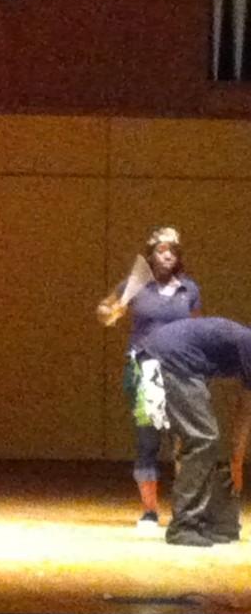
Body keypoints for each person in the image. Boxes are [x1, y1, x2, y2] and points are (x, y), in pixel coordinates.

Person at [97, 226, 201, 531]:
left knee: (184, 442)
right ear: (151, 254)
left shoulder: (190, 289)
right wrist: (110, 311)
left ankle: (185, 511)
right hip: (146, 370)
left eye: (172, 249)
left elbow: (196, 330)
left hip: (181, 370)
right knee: (148, 440)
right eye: (161, 249)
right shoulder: (135, 285)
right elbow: (104, 310)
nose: (167, 254)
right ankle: (150, 512)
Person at [137, 317, 251, 547]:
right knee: (203, 439)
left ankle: (213, 523)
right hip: (169, 358)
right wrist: (237, 461)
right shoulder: (248, 344)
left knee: (197, 439)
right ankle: (185, 526)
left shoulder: (238, 343)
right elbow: (246, 409)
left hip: (156, 355)